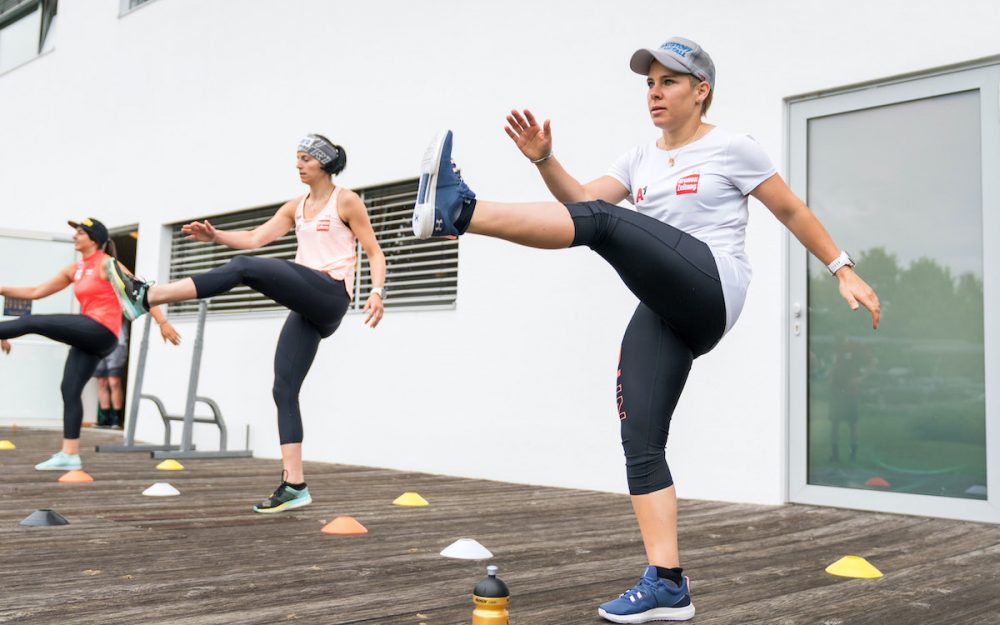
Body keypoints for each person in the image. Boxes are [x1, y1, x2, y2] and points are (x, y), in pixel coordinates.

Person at [411, 37, 880, 623]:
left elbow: (790, 210)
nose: (655, 93)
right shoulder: (639, 159)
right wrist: (543, 160)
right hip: (664, 308)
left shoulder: (734, 148)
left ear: (701, 91)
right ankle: (668, 582)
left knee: (608, 222)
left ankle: (461, 212)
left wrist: (843, 268)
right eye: (650, 84)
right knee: (640, 438)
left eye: (670, 82)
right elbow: (582, 207)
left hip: (712, 288)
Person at [107, 134, 387, 514]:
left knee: (243, 270)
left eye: (305, 158)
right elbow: (256, 237)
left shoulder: (346, 200)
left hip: (330, 293)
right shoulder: (295, 206)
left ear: (322, 163)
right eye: (297, 158)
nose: (298, 164)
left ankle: (149, 296)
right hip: (307, 306)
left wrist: (376, 291)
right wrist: (216, 235)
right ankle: (294, 484)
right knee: (283, 389)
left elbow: (373, 249)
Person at [0, 218, 179, 470]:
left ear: (94, 239)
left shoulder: (107, 264)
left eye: (80, 233)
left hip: (101, 330)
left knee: (34, 322)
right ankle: (70, 454)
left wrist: (162, 322)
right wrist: (2, 289)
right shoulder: (73, 269)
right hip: (88, 337)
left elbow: (141, 292)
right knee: (69, 390)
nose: (75, 237)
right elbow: (35, 292)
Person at [94, 312, 181, 428]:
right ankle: (104, 418)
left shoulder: (119, 300)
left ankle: (116, 417)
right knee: (101, 382)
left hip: (117, 343)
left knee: (114, 381)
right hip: (98, 343)